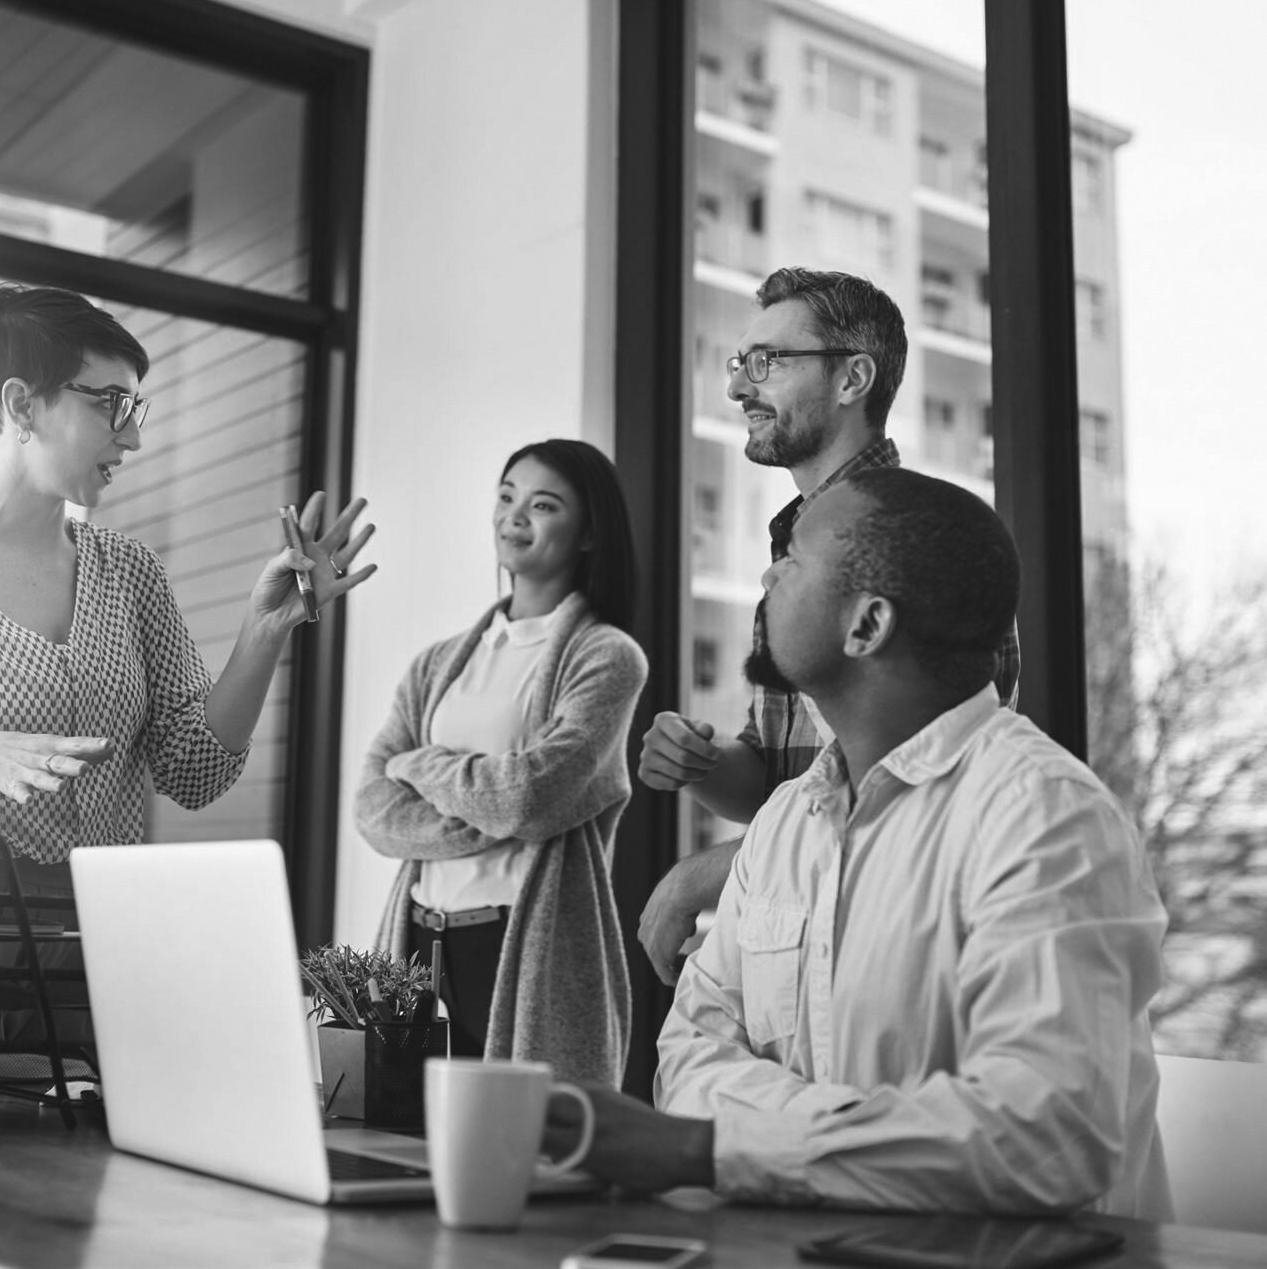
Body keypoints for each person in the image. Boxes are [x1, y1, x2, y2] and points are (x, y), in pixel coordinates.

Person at [543, 468, 1170, 1218]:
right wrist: (862, 1135)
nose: (770, 572)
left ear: (866, 625)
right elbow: (686, 1056)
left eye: (794, 558)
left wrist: (712, 1150)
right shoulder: (783, 820)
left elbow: (1045, 1136)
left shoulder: (1045, 816)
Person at [0, 283, 374, 1031]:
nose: (131, 437)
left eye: (136, 409)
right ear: (22, 405)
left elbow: (193, 769)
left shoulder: (131, 574)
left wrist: (265, 632)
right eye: (109, 403)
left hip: (95, 948)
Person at [636, 267, 1019, 984]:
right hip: (800, 940)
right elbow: (774, 781)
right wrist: (705, 763)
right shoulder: (791, 554)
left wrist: (706, 874)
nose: (738, 387)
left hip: (894, 957)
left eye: (768, 361)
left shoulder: (928, 543)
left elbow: (915, 800)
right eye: (737, 362)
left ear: (853, 379)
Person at [353, 439, 646, 1087]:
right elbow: (373, 810)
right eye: (507, 496)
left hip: (518, 940)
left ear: (590, 533)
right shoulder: (437, 662)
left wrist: (421, 763)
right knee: (402, 1146)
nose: (514, 516)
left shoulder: (607, 657)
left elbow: (529, 798)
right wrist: (496, 803)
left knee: (525, 1151)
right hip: (419, 940)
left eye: (542, 505)